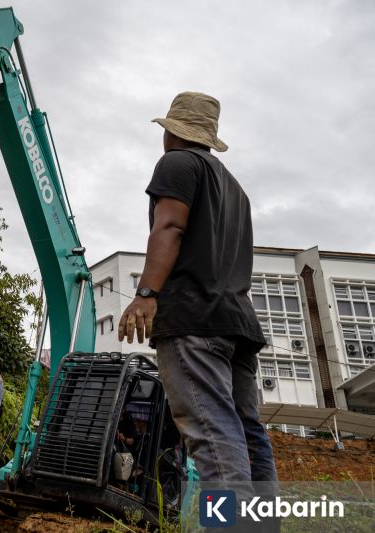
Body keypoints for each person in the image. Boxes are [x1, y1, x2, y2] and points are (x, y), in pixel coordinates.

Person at [117, 92, 278, 505]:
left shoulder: (177, 162)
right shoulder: (235, 189)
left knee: (211, 434)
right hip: (237, 324)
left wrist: (146, 293)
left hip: (194, 321)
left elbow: (170, 227)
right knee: (246, 431)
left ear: (172, 131)